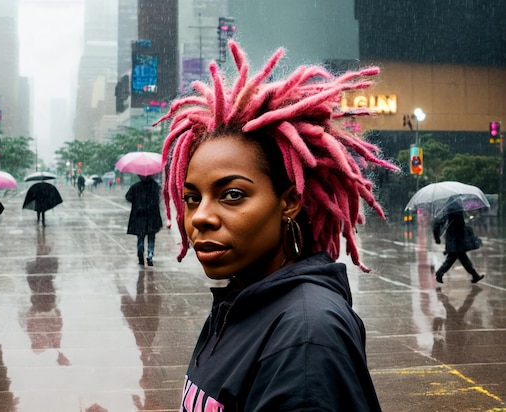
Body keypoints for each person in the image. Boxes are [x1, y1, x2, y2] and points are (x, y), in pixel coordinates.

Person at [156, 40, 398, 411]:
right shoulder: (237, 299)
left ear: (289, 201)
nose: (201, 217)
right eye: (192, 197)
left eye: (232, 195)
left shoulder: (306, 336)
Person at [432, 202, 484, 284]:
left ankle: (475, 275)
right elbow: (438, 224)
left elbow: (437, 224)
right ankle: (440, 273)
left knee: (457, 258)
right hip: (456, 239)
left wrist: (437, 237)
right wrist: (437, 237)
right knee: (458, 258)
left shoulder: (449, 209)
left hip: (456, 239)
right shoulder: (455, 209)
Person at [125, 175, 162, 266]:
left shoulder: (135, 187)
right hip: (152, 217)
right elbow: (158, 198)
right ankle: (150, 255)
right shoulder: (155, 186)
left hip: (140, 216)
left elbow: (128, 197)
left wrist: (137, 200)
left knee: (140, 237)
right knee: (151, 238)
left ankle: (140, 253)